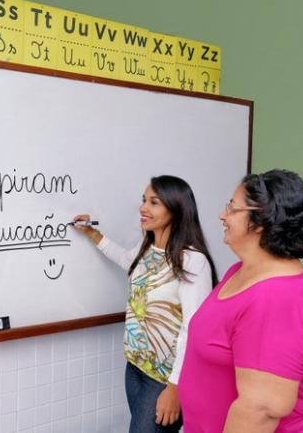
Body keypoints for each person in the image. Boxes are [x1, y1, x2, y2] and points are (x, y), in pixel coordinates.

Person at [73, 175, 217, 433]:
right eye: (143, 200)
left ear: (176, 208)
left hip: (164, 380)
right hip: (136, 368)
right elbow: (125, 259)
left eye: (154, 202)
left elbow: (193, 328)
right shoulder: (148, 247)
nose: (143, 208)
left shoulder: (192, 260)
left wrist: (175, 387)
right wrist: (93, 234)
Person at [178, 169, 303, 433]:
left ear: (261, 219)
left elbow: (261, 411)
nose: (222, 215)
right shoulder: (240, 271)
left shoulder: (277, 300)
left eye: (232, 207)